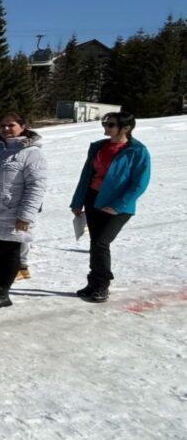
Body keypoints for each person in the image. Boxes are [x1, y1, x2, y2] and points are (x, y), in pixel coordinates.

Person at [69, 112, 151, 303]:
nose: (106, 127)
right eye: (104, 123)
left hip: (118, 206)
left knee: (101, 243)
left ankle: (102, 284)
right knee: (95, 242)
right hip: (93, 199)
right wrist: (77, 201)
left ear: (126, 128)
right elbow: (86, 176)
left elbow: (140, 183)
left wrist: (118, 205)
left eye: (111, 124)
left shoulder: (137, 150)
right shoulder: (99, 147)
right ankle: (93, 283)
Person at [0, 112, 48, 308]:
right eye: (2, 125)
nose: (6, 129)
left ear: (22, 126)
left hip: (12, 214)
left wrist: (26, 215)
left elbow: (36, 186)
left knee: (9, 253)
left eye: (11, 125)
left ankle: (2, 292)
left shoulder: (32, 154)